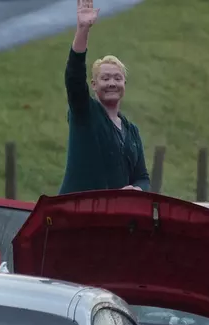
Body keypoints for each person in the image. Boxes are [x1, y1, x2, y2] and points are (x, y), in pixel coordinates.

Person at [58, 0, 150, 194]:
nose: (111, 83)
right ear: (94, 85)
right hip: (77, 211)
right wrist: (83, 29)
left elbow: (143, 177)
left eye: (117, 78)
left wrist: (136, 189)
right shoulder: (85, 112)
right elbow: (74, 76)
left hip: (113, 215)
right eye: (105, 78)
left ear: (124, 84)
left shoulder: (131, 131)